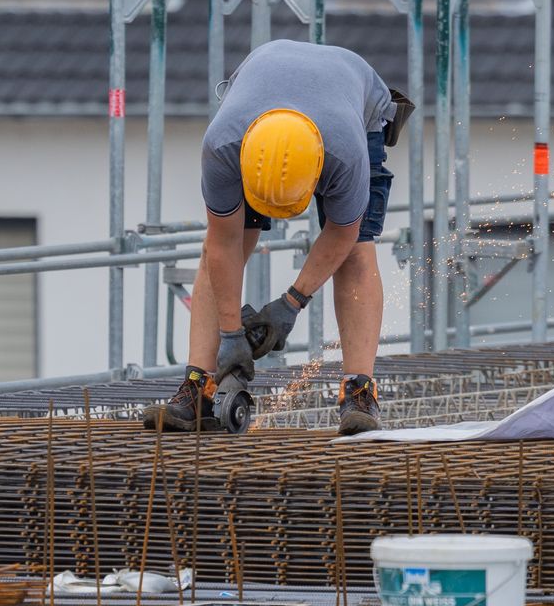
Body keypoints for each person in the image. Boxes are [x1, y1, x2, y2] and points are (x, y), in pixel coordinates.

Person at [146, 39, 410, 435]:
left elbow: (342, 232)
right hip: (258, 106)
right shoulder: (224, 146)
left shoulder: (347, 154)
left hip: (352, 98)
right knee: (218, 248)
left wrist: (291, 303)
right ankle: (198, 387)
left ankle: (360, 392)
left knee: (357, 251)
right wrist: (231, 332)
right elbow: (223, 245)